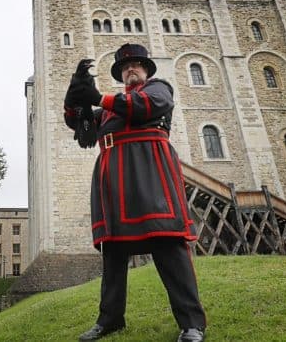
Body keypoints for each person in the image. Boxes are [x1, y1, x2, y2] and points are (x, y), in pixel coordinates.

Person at [64, 43, 207, 342]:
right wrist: (75, 96)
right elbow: (81, 126)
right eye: (126, 67)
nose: (131, 69)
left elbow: (144, 107)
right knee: (113, 253)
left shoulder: (159, 89)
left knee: (168, 246)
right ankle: (110, 320)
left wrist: (99, 98)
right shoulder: (110, 108)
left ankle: (192, 324)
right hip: (113, 182)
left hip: (150, 174)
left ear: (146, 69)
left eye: (137, 65)